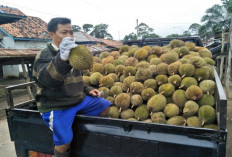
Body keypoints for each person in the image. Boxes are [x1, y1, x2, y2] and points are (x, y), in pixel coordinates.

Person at [33, 17, 111, 157]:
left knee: (104, 105)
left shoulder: (74, 54)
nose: (69, 36)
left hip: (77, 100)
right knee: (64, 141)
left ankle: (80, 132)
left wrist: (87, 90)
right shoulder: (44, 55)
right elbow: (48, 81)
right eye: (64, 32)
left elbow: (77, 79)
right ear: (51, 34)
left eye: (71, 32)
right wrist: (62, 59)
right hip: (56, 104)